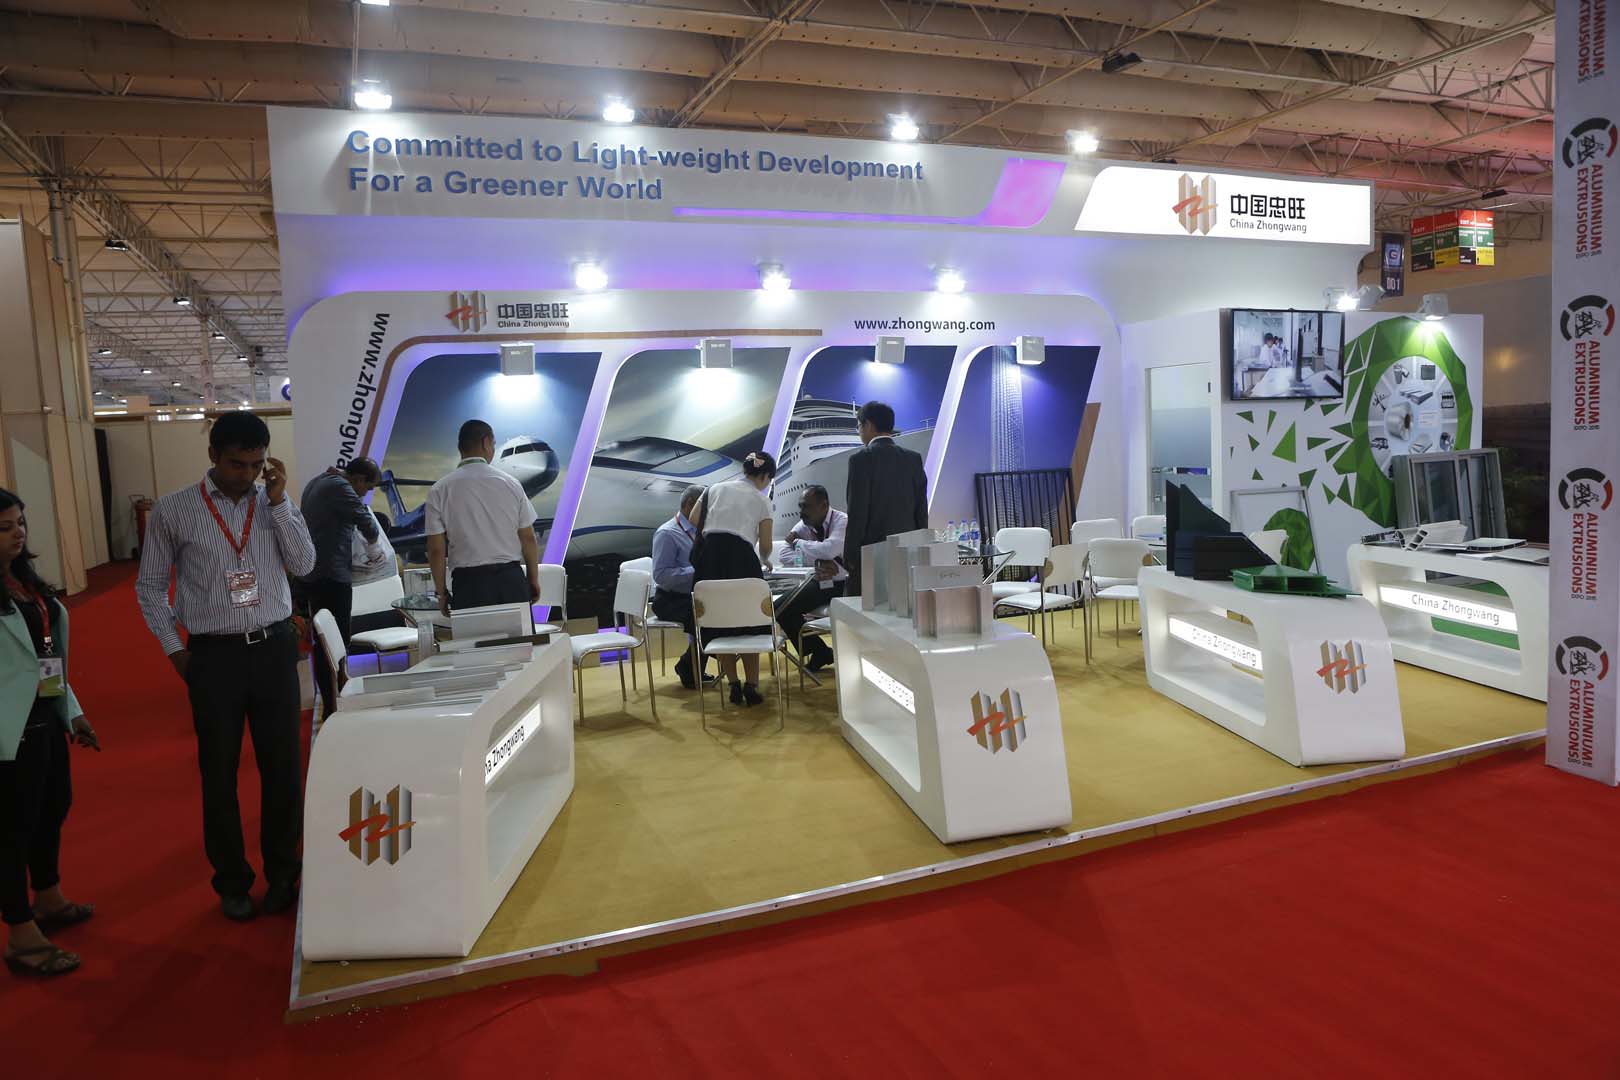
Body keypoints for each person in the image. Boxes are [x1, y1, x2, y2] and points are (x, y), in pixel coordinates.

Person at [135, 412, 315, 922]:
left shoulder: (273, 504)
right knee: (218, 773)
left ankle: (284, 875)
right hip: (214, 656)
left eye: (257, 464)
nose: (247, 474)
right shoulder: (174, 510)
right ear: (213, 456)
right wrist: (175, 650)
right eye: (237, 464)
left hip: (274, 648)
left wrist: (279, 502)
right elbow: (150, 586)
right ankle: (232, 881)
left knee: (283, 769)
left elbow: (305, 564)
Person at [0, 489, 98, 978]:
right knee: (11, 831)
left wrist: (70, 711)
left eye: (19, 522)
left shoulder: (25, 583)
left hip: (44, 718)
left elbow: (46, 656)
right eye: (4, 527)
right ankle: (21, 934)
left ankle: (49, 896)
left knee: (52, 808)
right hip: (8, 730)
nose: (17, 533)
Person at [298, 458, 387, 718]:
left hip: (315, 576)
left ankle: (331, 702)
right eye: (367, 487)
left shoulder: (316, 482)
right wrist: (375, 549)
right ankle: (335, 706)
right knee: (335, 645)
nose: (365, 494)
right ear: (358, 479)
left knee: (323, 643)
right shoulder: (340, 487)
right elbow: (366, 521)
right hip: (332, 577)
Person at [424, 419, 540, 617]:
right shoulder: (511, 483)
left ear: (460, 447)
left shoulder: (439, 490)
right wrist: (532, 580)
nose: (493, 449)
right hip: (511, 582)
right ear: (486, 442)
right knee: (518, 638)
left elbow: (436, 550)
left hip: (469, 586)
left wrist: (441, 593)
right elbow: (528, 538)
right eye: (493, 444)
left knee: (474, 638)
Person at [690, 452, 776, 707]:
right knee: (750, 621)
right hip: (742, 561)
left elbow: (694, 518)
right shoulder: (762, 500)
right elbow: (766, 544)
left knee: (719, 621)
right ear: (765, 476)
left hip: (710, 559)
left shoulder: (714, 488)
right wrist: (765, 559)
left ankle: (733, 684)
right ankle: (752, 685)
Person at [844, 401, 929, 592]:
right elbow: (921, 511)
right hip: (907, 554)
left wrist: (850, 557)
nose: (859, 431)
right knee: (903, 605)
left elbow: (857, 514)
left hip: (872, 556)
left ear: (868, 425)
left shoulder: (860, 460)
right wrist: (920, 549)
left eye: (859, 426)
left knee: (867, 607)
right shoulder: (913, 459)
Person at [650, 484, 715, 690]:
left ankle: (689, 667)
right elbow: (661, 575)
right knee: (707, 618)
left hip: (695, 596)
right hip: (669, 599)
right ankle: (689, 668)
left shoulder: (704, 530)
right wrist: (697, 571)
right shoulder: (667, 533)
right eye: (706, 506)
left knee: (716, 612)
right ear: (690, 504)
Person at [777, 484, 845, 671]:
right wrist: (817, 562)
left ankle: (822, 653)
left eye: (806, 506)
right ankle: (820, 651)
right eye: (800, 506)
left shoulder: (841, 521)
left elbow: (830, 549)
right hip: (821, 581)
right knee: (780, 608)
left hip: (845, 582)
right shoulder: (804, 524)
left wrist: (799, 543)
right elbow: (784, 554)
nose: (801, 512)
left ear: (823, 506)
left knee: (783, 608)